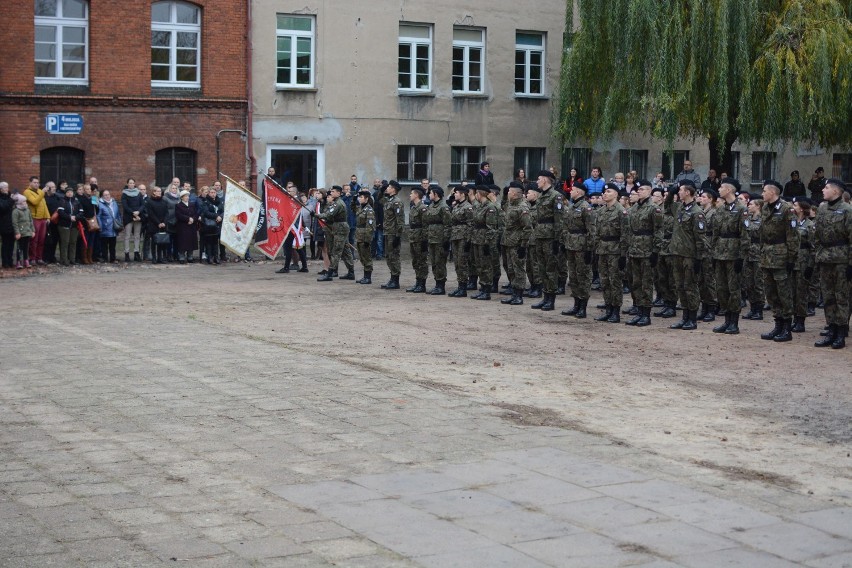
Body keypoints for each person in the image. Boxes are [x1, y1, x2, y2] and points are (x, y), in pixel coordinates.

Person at [758, 180, 800, 342]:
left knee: (784, 292)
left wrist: (791, 258)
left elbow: (793, 235)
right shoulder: (765, 207)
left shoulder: (786, 209)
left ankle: (786, 328)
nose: (762, 194)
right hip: (767, 255)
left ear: (773, 193)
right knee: (771, 292)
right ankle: (778, 324)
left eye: (764, 191)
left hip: (781, 255)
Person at [813, 178, 852, 348]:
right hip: (825, 258)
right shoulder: (822, 209)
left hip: (841, 259)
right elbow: (817, 235)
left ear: (836, 191)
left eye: (826, 187)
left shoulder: (847, 210)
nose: (823, 190)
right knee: (828, 296)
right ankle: (831, 330)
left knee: (841, 296)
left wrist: (851, 264)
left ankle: (841, 333)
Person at [665, 179, 708, 330]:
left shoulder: (697, 213)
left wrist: (698, 258)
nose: (679, 192)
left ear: (688, 192)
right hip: (677, 253)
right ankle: (684, 317)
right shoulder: (679, 208)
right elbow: (667, 205)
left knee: (690, 286)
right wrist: (671, 191)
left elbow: (700, 238)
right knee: (680, 286)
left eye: (681, 190)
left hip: (690, 255)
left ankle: (692, 318)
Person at [710, 178, 749, 334]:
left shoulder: (741, 209)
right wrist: (713, 253)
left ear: (729, 190)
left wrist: (741, 256)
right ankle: (726, 320)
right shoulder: (720, 209)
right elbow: (715, 233)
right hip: (720, 253)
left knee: (734, 289)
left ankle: (734, 321)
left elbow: (745, 235)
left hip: (733, 254)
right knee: (721, 288)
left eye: (722, 187)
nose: (719, 190)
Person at [624, 180, 664, 326]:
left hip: (647, 250)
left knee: (646, 283)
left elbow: (659, 231)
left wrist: (655, 251)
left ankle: (646, 314)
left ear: (649, 191)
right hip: (634, 250)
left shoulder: (654, 209)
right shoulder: (634, 208)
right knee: (636, 282)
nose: (639, 191)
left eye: (641, 189)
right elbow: (629, 230)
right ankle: (638, 310)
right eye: (638, 189)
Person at [593, 182, 627, 323]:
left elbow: (625, 234)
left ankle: (615, 311)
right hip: (602, 249)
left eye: (608, 192)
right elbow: (596, 232)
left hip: (615, 250)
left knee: (615, 281)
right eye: (604, 192)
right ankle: (608, 308)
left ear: (616, 194)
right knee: (605, 281)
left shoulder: (621, 211)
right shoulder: (601, 211)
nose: (605, 194)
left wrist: (623, 255)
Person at [560, 182, 595, 318]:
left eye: (573, 189)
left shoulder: (586, 208)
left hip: (582, 247)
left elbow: (591, 230)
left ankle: (583, 307)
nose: (570, 191)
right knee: (573, 276)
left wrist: (589, 250)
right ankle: (576, 304)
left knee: (583, 276)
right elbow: (566, 226)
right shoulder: (571, 207)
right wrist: (564, 242)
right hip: (571, 245)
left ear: (580, 192)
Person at [530, 171, 564, 311]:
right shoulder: (541, 196)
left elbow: (559, 220)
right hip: (540, 235)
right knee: (542, 268)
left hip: (550, 237)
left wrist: (557, 239)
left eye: (538, 179)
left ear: (545, 180)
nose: (537, 182)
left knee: (551, 269)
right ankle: (545, 297)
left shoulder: (556, 196)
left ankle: (551, 299)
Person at [501, 181, 532, 305]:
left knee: (518, 269)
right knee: (511, 269)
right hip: (509, 242)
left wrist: (523, 245)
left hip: (517, 244)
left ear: (515, 194)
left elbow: (528, 227)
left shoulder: (523, 208)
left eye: (509, 191)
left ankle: (519, 295)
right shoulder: (510, 205)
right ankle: (514, 293)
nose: (508, 193)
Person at [316, 186, 354, 281]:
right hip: (338, 227)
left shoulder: (338, 204)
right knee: (345, 250)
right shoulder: (336, 203)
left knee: (336, 251)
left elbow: (329, 215)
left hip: (340, 227)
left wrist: (317, 215)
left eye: (333, 191)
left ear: (338, 193)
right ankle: (351, 272)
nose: (331, 193)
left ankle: (330, 273)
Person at [790, 197, 815, 333]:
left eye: (795, 205)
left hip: (803, 263)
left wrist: (810, 266)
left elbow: (813, 248)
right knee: (792, 292)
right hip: (793, 261)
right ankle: (795, 319)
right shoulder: (792, 222)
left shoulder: (810, 225)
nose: (793, 207)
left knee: (801, 293)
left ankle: (801, 321)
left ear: (801, 208)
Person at [470, 186, 499, 300]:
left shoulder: (490, 207)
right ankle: (482, 288)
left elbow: (491, 227)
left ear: (480, 193)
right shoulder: (479, 206)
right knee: (479, 265)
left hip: (484, 240)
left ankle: (487, 290)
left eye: (476, 193)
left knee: (486, 265)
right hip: (477, 239)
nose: (475, 195)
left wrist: (488, 243)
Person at [696, 187, 719, 321]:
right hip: (701, 249)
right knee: (701, 280)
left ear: (711, 199)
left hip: (709, 248)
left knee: (709, 280)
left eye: (704, 197)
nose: (701, 198)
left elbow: (716, 233)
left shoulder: (714, 213)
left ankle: (711, 307)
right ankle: (704, 307)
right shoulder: (702, 212)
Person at [742, 195, 766, 320]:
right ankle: (752, 307)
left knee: (758, 282)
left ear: (758, 206)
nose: (748, 206)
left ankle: (759, 309)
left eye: (751, 204)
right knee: (749, 283)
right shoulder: (748, 218)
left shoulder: (763, 219)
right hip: (748, 252)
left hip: (758, 253)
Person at [424, 186, 451, 295]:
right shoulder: (431, 205)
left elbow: (448, 225)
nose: (429, 195)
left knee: (440, 262)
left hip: (440, 239)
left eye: (430, 193)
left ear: (436, 194)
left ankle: (441, 286)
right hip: (432, 238)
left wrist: (446, 240)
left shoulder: (443, 207)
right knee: (434, 262)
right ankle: (437, 284)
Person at [448, 185, 473, 297]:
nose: (455, 194)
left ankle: (463, 288)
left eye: (456, 193)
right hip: (455, 237)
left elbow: (470, 224)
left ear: (463, 194)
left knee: (462, 263)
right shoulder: (456, 206)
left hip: (463, 237)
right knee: (457, 263)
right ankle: (460, 286)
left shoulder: (468, 207)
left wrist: (468, 240)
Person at [380, 181, 404, 289]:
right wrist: (381, 190)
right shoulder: (389, 200)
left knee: (394, 256)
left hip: (393, 233)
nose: (387, 188)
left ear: (393, 189)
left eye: (389, 187)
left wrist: (398, 236)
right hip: (387, 232)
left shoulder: (397, 202)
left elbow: (400, 220)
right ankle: (392, 278)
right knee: (389, 256)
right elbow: (379, 200)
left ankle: (396, 280)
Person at [405, 187, 429, 293]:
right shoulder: (414, 207)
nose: (410, 195)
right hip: (413, 237)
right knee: (415, 261)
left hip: (420, 238)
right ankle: (417, 282)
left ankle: (422, 284)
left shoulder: (422, 208)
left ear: (416, 195)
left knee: (421, 261)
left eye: (411, 193)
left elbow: (425, 225)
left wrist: (424, 240)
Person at [23, 176, 49, 264]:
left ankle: (39, 258)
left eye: (38, 183)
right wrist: (42, 192)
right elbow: (34, 202)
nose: (37, 184)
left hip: (43, 219)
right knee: (34, 240)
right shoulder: (27, 192)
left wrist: (48, 217)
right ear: (30, 183)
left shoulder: (39, 192)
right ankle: (32, 258)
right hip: (34, 218)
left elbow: (44, 205)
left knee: (42, 239)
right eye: (34, 182)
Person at [56, 185, 82, 266]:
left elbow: (81, 212)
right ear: (65, 193)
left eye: (71, 192)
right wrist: (69, 217)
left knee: (73, 242)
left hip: (74, 225)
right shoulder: (62, 201)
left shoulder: (77, 201)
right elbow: (61, 212)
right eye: (68, 192)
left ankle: (72, 259)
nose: (70, 193)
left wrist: (76, 217)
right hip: (64, 225)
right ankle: (64, 259)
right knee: (65, 242)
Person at [354, 189, 376, 284]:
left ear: (366, 199)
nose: (359, 198)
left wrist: (367, 240)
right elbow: (352, 207)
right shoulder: (360, 208)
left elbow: (370, 226)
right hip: (359, 235)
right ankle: (365, 276)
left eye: (361, 197)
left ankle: (368, 277)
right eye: (359, 197)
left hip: (364, 236)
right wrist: (353, 199)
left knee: (366, 257)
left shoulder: (369, 210)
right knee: (362, 256)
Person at [120, 178, 144, 262]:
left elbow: (142, 204)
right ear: (127, 184)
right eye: (130, 183)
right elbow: (125, 206)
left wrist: (138, 211)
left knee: (137, 236)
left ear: (135, 184)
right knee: (127, 236)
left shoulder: (138, 193)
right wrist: (133, 212)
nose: (131, 184)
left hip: (138, 216)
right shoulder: (124, 194)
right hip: (128, 217)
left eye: (133, 183)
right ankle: (126, 253)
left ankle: (136, 253)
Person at [198, 186, 223, 265]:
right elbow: (206, 213)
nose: (213, 194)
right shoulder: (205, 201)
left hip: (217, 224)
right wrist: (216, 216)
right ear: (208, 193)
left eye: (214, 193)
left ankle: (216, 257)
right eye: (211, 193)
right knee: (209, 242)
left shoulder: (219, 201)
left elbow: (222, 211)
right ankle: (210, 257)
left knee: (216, 242)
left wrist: (220, 217)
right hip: (209, 224)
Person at [145, 186, 169, 264]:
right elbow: (151, 214)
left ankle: (160, 258)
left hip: (163, 225)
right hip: (154, 224)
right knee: (154, 242)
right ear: (154, 192)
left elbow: (166, 213)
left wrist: (164, 222)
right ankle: (154, 258)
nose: (159, 192)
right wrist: (158, 223)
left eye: (160, 191)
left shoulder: (164, 201)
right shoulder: (149, 201)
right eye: (157, 191)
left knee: (161, 242)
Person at [173, 189, 198, 264]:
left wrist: (193, 219)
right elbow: (178, 215)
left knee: (191, 241)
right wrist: (187, 219)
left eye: (188, 196)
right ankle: (182, 256)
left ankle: (190, 256)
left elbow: (196, 214)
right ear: (182, 197)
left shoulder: (192, 204)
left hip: (191, 226)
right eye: (185, 196)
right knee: (182, 242)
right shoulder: (178, 205)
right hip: (183, 226)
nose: (187, 197)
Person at [97, 190, 121, 263]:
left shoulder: (114, 203)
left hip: (114, 226)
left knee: (113, 245)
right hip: (105, 226)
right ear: (102, 196)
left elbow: (118, 214)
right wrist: (100, 226)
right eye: (105, 195)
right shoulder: (100, 204)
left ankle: (113, 258)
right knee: (104, 245)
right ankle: (105, 258)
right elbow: (98, 216)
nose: (107, 196)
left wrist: (119, 223)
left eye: (108, 194)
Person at [12, 193, 34, 268]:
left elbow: (31, 221)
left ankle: (26, 260)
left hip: (27, 232)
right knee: (19, 248)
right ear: (19, 203)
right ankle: (18, 262)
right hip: (20, 233)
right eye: (23, 202)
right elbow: (15, 223)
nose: (25, 203)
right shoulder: (16, 211)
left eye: (25, 201)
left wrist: (32, 230)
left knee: (26, 247)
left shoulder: (27, 210)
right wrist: (17, 233)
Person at [163, 183, 180, 262]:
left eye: (175, 188)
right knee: (169, 240)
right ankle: (169, 255)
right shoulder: (165, 197)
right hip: (169, 220)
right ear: (169, 189)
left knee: (176, 240)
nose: (174, 189)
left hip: (177, 220)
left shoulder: (179, 198)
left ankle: (176, 254)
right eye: (172, 188)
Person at [0, 182, 14, 268]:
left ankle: (10, 260)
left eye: (7, 187)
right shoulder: (3, 199)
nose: (7, 189)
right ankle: (5, 262)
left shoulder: (9, 197)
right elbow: (3, 207)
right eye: (5, 188)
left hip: (12, 223)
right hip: (3, 224)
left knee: (11, 244)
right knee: (5, 243)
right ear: (1, 189)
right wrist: (11, 200)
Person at [370, 179, 385, 260]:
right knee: (374, 238)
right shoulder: (375, 204)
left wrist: (380, 222)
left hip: (380, 222)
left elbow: (382, 214)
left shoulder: (382, 203)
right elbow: (375, 213)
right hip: (375, 222)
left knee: (379, 239)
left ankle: (379, 254)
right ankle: (373, 253)